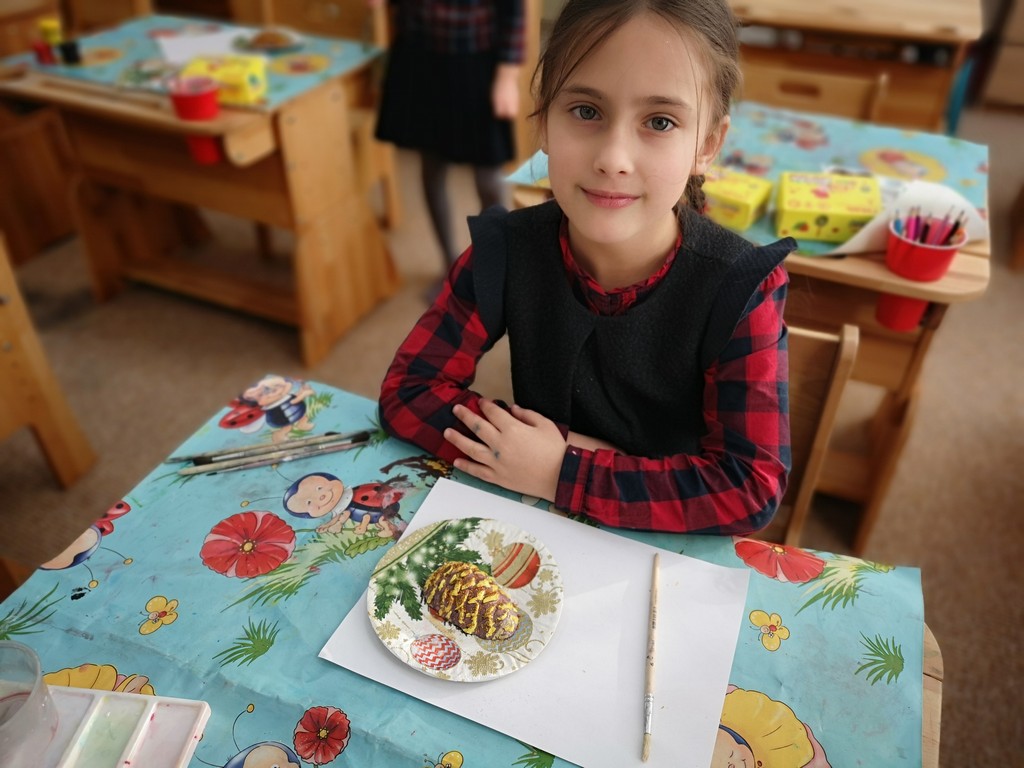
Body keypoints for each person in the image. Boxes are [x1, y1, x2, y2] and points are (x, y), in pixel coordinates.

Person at [379, 0, 796, 534]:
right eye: (585, 111)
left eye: (660, 121)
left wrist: (563, 468)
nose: (613, 158)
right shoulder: (504, 249)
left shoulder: (740, 288)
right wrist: (532, 455)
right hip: (538, 527)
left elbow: (749, 488)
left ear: (707, 144)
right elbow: (408, 390)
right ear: (543, 120)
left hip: (659, 544)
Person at [372, 0, 525, 270]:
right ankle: (448, 264)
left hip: (476, 63)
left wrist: (507, 77)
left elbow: (513, 12)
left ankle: (495, 266)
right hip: (420, 61)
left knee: (489, 179)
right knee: (432, 167)